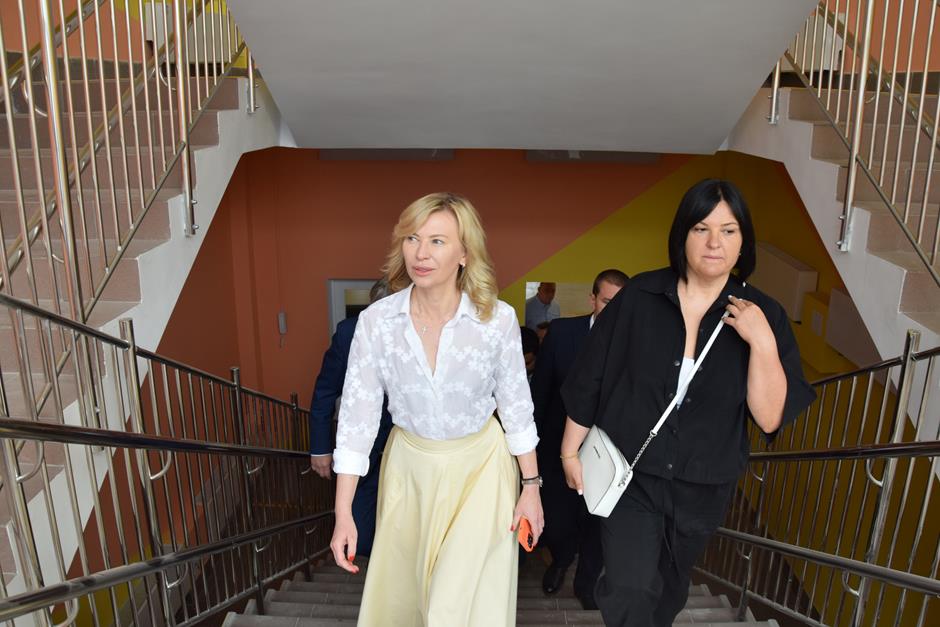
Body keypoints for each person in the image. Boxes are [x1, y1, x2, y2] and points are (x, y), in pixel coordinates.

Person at [559, 179, 816, 627]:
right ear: (682, 235)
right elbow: (590, 377)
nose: (715, 242)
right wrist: (569, 451)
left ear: (743, 242)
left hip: (703, 486)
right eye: (701, 228)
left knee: (669, 592)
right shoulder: (639, 297)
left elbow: (770, 416)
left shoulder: (764, 314)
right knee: (629, 586)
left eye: (729, 231)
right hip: (632, 474)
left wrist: (762, 343)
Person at [329, 192, 543, 627]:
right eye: (412, 238)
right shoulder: (376, 323)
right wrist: (343, 512)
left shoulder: (497, 320)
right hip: (409, 473)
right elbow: (357, 421)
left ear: (465, 253)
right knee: (410, 604)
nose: (421, 253)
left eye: (437, 241)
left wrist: (531, 488)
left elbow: (517, 410)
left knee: (452, 608)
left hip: (481, 471)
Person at [532, 268, 629, 608]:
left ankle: (587, 583)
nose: (613, 310)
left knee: (597, 525)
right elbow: (540, 392)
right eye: (607, 301)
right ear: (592, 299)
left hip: (608, 454)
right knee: (558, 521)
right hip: (558, 447)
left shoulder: (637, 343)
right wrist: (533, 449)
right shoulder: (562, 333)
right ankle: (560, 561)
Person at [308, 279, 393, 557]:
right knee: (362, 535)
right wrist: (320, 448)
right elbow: (324, 391)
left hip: (407, 444)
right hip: (362, 448)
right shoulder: (348, 333)